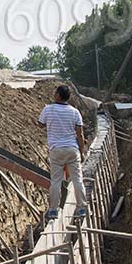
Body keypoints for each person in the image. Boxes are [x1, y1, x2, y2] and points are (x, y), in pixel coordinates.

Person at [38, 85, 88, 220]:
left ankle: (53, 210)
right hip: (72, 149)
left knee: (55, 181)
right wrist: (81, 152)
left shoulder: (48, 109)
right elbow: (80, 134)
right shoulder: (74, 112)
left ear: (59, 95)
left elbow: (40, 124)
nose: (53, 94)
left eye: (55, 93)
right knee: (77, 179)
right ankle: (81, 208)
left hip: (56, 150)